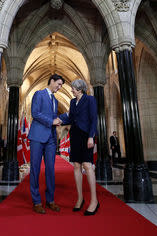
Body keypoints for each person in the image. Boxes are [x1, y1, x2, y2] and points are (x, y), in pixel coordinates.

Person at [60, 79, 99, 216]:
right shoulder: (72, 102)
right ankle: (80, 198)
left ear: (80, 89)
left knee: (87, 166)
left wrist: (91, 136)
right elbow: (70, 118)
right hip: (75, 135)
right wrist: (57, 120)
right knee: (76, 165)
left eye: (74, 89)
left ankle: (94, 201)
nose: (72, 90)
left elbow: (94, 119)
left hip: (85, 135)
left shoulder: (90, 99)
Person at [28, 74, 64, 214]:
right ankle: (36, 201)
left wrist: (60, 121)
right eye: (59, 84)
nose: (59, 87)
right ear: (52, 81)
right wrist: (52, 121)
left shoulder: (55, 100)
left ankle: (50, 200)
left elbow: (54, 118)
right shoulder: (39, 94)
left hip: (51, 139)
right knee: (35, 169)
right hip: (37, 136)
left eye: (61, 86)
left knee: (50, 170)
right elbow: (35, 113)